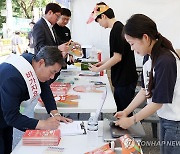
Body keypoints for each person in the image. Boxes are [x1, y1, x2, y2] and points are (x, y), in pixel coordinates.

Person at [114, 14, 180, 154]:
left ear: (145, 37)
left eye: (132, 43)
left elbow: (158, 101)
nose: (132, 49)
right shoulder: (149, 57)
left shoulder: (165, 60)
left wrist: (132, 120)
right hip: (165, 117)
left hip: (176, 121)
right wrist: (126, 111)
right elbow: (145, 90)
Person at [0, 46, 72, 154]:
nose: (52, 77)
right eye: (52, 72)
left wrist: (55, 114)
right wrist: (43, 124)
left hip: (6, 112)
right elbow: (12, 117)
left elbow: (44, 88)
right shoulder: (13, 78)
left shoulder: (33, 62)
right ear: (41, 63)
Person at [87, 2, 138, 115]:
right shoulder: (118, 27)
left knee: (123, 112)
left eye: (98, 20)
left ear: (104, 16)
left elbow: (117, 58)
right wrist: (102, 63)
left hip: (124, 79)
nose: (99, 24)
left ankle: (126, 132)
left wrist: (98, 70)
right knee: (121, 110)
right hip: (124, 77)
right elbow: (117, 54)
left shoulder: (117, 30)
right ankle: (123, 130)